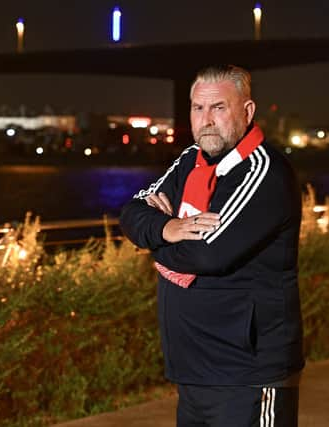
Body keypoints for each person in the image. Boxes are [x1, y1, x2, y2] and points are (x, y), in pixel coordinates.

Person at [120, 65, 304, 427]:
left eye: (218, 108)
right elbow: (131, 211)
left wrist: (155, 241)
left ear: (247, 112)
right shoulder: (191, 160)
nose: (206, 120)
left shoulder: (264, 173)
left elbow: (207, 254)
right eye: (197, 108)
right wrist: (171, 228)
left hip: (247, 373)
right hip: (194, 369)